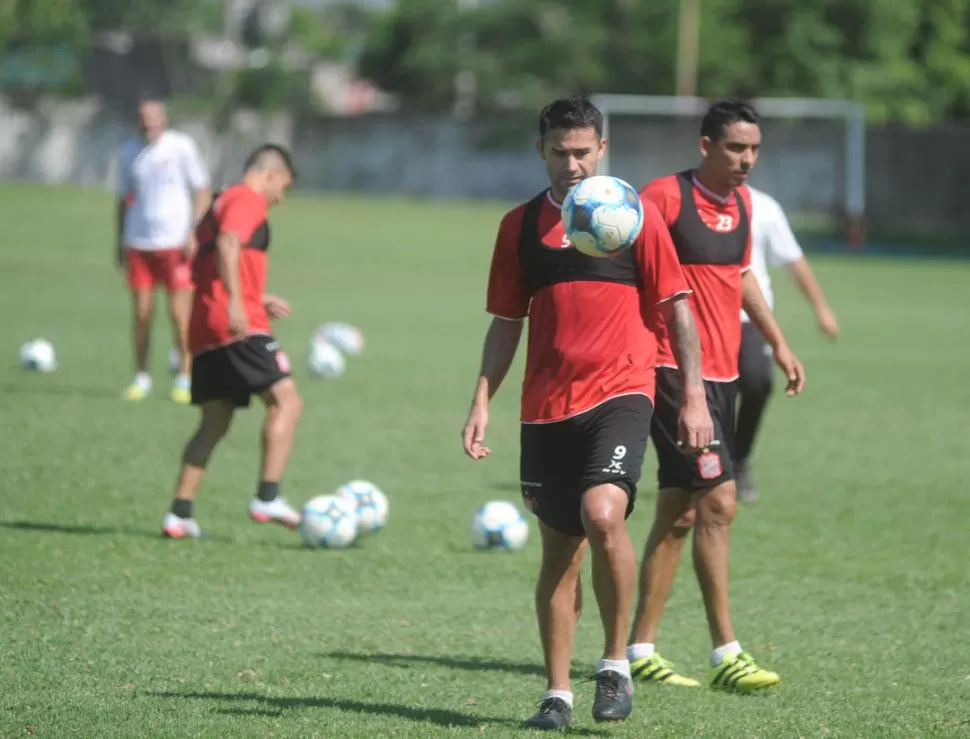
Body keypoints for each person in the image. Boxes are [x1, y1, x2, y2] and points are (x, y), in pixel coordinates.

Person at [461, 96, 713, 731]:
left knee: (604, 513)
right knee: (558, 553)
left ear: (602, 150)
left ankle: (614, 665)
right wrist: (481, 400)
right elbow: (505, 322)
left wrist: (694, 394)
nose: (572, 164)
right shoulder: (519, 226)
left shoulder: (635, 217)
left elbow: (679, 307)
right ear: (540, 150)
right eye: (560, 151)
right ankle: (556, 695)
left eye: (583, 151)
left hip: (622, 390)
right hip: (546, 406)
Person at [626, 100, 806, 692]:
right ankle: (727, 653)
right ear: (705, 145)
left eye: (754, 149)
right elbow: (626, 269)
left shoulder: (746, 205)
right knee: (720, 502)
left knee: (680, 512)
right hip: (673, 372)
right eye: (735, 147)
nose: (746, 159)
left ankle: (640, 649)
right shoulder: (664, 198)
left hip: (723, 374)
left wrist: (778, 343)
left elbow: (742, 277)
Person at [161, 144, 303, 539]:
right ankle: (268, 496)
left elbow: (202, 252)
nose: (281, 198)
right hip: (237, 323)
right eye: (284, 187)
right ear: (271, 175)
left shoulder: (219, 200)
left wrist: (255, 295)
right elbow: (227, 242)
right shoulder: (246, 198)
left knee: (214, 421)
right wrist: (240, 302)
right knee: (287, 402)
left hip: (204, 326)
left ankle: (180, 514)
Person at [734, 185, 840, 502]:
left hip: (752, 315)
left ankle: (739, 460)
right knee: (714, 395)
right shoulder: (689, 200)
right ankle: (710, 469)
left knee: (758, 383)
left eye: (751, 149)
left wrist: (821, 308)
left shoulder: (765, 207)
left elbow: (794, 260)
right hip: (703, 316)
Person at [116, 98, 212, 404]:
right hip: (139, 243)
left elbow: (202, 189)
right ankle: (140, 378)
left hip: (175, 244)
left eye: (154, 118)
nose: (149, 124)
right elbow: (122, 200)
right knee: (142, 314)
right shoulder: (129, 153)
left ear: (164, 120)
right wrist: (118, 239)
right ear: (137, 121)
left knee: (179, 315)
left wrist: (195, 231)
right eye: (143, 119)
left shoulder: (181, 147)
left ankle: (185, 377)